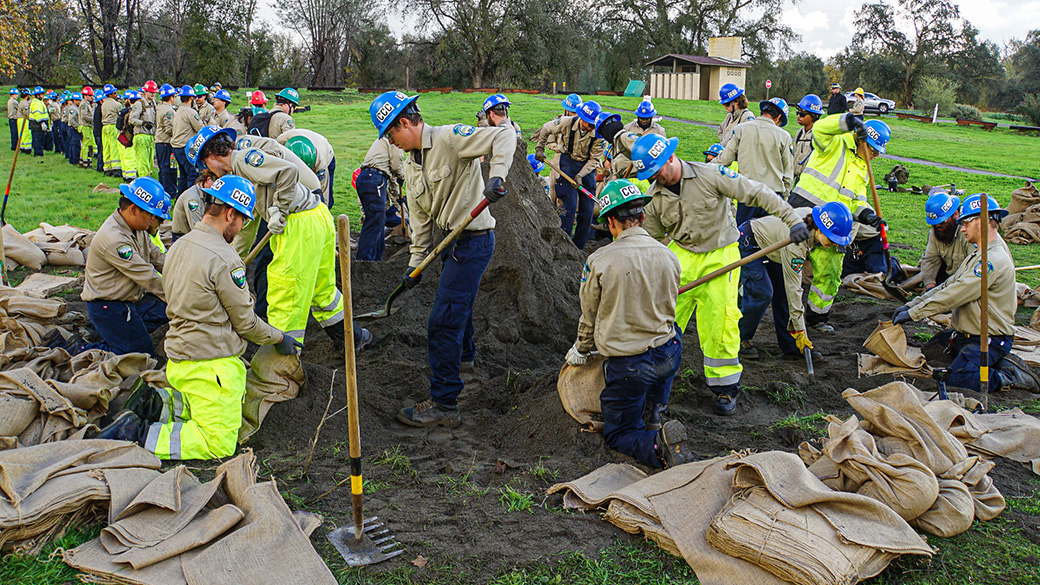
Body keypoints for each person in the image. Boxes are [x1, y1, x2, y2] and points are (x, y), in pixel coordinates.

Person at [94, 175, 304, 459]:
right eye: (242, 219)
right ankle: (137, 436)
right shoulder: (225, 258)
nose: (242, 227)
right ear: (230, 213)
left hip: (178, 362)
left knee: (192, 411)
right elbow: (246, 323)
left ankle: (159, 405)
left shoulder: (180, 244)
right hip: (210, 368)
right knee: (218, 443)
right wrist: (279, 338)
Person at [633, 133, 809, 415]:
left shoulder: (711, 174)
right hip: (681, 255)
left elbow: (757, 192)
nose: (655, 178)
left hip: (720, 256)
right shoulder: (655, 198)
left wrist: (792, 219)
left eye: (657, 171)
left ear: (669, 158)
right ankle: (654, 381)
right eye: (650, 174)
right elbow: (647, 240)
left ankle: (725, 389)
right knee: (661, 318)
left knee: (720, 323)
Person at [368, 91, 514, 426]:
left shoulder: (451, 139)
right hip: (449, 240)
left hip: (474, 241)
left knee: (443, 321)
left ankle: (445, 403)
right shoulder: (410, 163)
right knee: (456, 305)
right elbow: (419, 222)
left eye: (391, 134)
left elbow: (505, 134)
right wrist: (414, 265)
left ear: (404, 123)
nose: (392, 142)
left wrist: (497, 176)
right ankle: (465, 357)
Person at [564, 179, 693, 467]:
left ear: (611, 222)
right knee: (675, 335)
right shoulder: (669, 255)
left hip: (630, 366)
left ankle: (659, 446)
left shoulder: (599, 260)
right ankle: (656, 409)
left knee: (619, 432)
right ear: (642, 217)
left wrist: (582, 349)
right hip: (669, 353)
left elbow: (590, 314)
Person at [187, 126, 350, 353]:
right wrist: (235, 259)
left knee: (284, 291)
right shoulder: (243, 164)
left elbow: (288, 172)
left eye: (206, 166)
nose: (210, 172)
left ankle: (279, 364)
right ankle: (353, 338)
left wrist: (279, 210)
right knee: (323, 291)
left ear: (212, 156)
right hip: (315, 216)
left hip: (298, 221)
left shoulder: (242, 159)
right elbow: (247, 225)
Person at [893, 194, 1040, 393]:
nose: (962, 229)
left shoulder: (992, 260)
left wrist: (915, 313)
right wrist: (912, 305)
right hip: (966, 334)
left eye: (966, 223)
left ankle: (1006, 376)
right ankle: (986, 363)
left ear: (982, 222)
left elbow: (956, 293)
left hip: (989, 338)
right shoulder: (978, 253)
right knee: (932, 351)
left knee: (959, 378)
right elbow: (949, 285)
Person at [788, 112, 889, 332]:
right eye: (874, 150)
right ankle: (779, 309)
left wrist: (867, 214)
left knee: (830, 272)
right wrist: (848, 121)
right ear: (862, 139)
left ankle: (817, 317)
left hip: (835, 228)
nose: (876, 156)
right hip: (806, 213)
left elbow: (856, 200)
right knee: (786, 264)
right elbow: (822, 128)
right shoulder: (836, 140)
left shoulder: (863, 168)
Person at [738, 202, 852, 361]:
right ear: (820, 229)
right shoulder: (796, 243)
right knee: (762, 292)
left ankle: (792, 346)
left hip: (775, 248)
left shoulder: (813, 218)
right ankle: (738, 339)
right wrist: (801, 332)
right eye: (832, 240)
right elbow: (795, 289)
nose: (834, 245)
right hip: (751, 241)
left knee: (783, 295)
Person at [81, 177, 172, 357]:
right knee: (140, 355)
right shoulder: (114, 239)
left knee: (163, 312)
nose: (154, 220)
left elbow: (159, 258)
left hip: (131, 300)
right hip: (109, 307)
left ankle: (123, 334)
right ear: (133, 209)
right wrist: (183, 299)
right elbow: (148, 277)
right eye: (151, 215)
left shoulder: (137, 229)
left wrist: (186, 277)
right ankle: (82, 349)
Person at [534, 100, 604, 250]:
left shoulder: (598, 134)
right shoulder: (566, 122)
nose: (592, 127)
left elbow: (595, 160)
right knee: (569, 206)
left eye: (594, 125)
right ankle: (563, 244)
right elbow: (546, 128)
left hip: (587, 168)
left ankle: (579, 246)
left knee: (587, 209)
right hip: (568, 163)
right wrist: (540, 148)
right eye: (589, 124)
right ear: (582, 119)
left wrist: (580, 176)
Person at [713, 97, 794, 225]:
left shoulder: (741, 129)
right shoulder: (784, 136)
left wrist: (705, 167)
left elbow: (725, 159)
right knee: (768, 239)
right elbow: (788, 172)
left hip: (747, 193)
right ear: (778, 117)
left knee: (744, 236)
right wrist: (785, 196)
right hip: (772, 197)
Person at [354, 136, 406, 262]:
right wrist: (403, 178)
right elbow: (396, 166)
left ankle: (376, 259)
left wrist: (400, 205)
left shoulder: (384, 141)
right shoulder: (396, 140)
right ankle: (364, 261)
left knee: (379, 220)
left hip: (367, 178)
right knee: (375, 221)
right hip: (374, 178)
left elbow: (393, 180)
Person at [920, 189, 972, 291]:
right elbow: (930, 261)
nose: (937, 225)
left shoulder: (968, 234)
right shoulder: (936, 232)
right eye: (934, 223)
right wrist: (930, 286)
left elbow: (974, 272)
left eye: (942, 221)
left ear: (956, 214)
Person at [277, 128, 337, 207]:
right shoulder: (280, 145)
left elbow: (323, 189)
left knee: (326, 198)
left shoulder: (320, 163)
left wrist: (324, 209)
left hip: (326, 153)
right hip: (300, 138)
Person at [172, 85, 203, 193]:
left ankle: (180, 198)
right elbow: (200, 128)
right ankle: (191, 198)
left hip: (176, 147)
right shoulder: (190, 112)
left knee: (183, 176)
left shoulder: (177, 111)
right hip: (186, 147)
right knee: (192, 174)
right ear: (191, 98)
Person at [171, 171, 216, 240]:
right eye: (216, 185)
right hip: (183, 239)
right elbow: (197, 228)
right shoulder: (192, 198)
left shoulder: (205, 194)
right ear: (208, 179)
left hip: (191, 236)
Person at [130, 81, 159, 179]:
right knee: (143, 162)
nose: (152, 94)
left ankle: (148, 180)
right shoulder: (139, 104)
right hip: (141, 136)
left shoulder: (154, 103)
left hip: (151, 136)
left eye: (154, 92)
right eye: (150, 92)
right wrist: (143, 123)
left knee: (149, 163)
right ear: (145, 92)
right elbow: (131, 119)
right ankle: (143, 182)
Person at [793, 94, 823, 182]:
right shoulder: (799, 133)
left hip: (811, 181)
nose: (798, 116)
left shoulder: (819, 135)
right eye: (798, 113)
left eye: (802, 114)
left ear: (813, 116)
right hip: (798, 180)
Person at [155, 84, 178, 196]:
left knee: (163, 168)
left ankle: (163, 189)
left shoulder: (160, 107)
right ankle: (169, 191)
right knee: (168, 168)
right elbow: (169, 128)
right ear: (171, 97)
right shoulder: (168, 111)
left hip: (161, 142)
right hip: (165, 143)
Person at [98, 85, 122, 176]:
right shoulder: (117, 104)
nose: (116, 94)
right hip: (113, 127)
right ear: (111, 94)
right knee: (114, 147)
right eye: (115, 93)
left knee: (106, 147)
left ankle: (107, 168)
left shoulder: (103, 104)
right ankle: (116, 168)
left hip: (105, 127)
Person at [79, 86, 97, 168]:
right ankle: (85, 162)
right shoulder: (84, 104)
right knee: (86, 145)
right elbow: (84, 116)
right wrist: (93, 120)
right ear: (85, 96)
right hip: (85, 126)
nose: (91, 97)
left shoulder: (87, 103)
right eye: (89, 96)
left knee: (89, 145)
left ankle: (86, 161)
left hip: (88, 126)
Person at [27, 87, 48, 157]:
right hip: (37, 124)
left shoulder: (38, 102)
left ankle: (38, 152)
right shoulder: (37, 103)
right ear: (37, 95)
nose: (43, 96)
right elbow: (37, 114)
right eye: (41, 94)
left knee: (38, 138)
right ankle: (38, 153)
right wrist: (41, 122)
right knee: (38, 139)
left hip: (36, 124)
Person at [65, 93, 82, 165]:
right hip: (73, 129)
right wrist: (77, 127)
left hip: (73, 128)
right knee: (74, 145)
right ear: (74, 100)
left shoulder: (76, 108)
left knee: (75, 144)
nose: (79, 102)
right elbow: (71, 120)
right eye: (78, 100)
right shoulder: (73, 109)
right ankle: (74, 160)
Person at [17, 88, 31, 153]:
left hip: (19, 119)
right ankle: (27, 148)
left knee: (21, 133)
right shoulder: (25, 103)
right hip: (24, 119)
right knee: (27, 133)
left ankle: (22, 147)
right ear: (28, 95)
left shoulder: (21, 102)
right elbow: (26, 113)